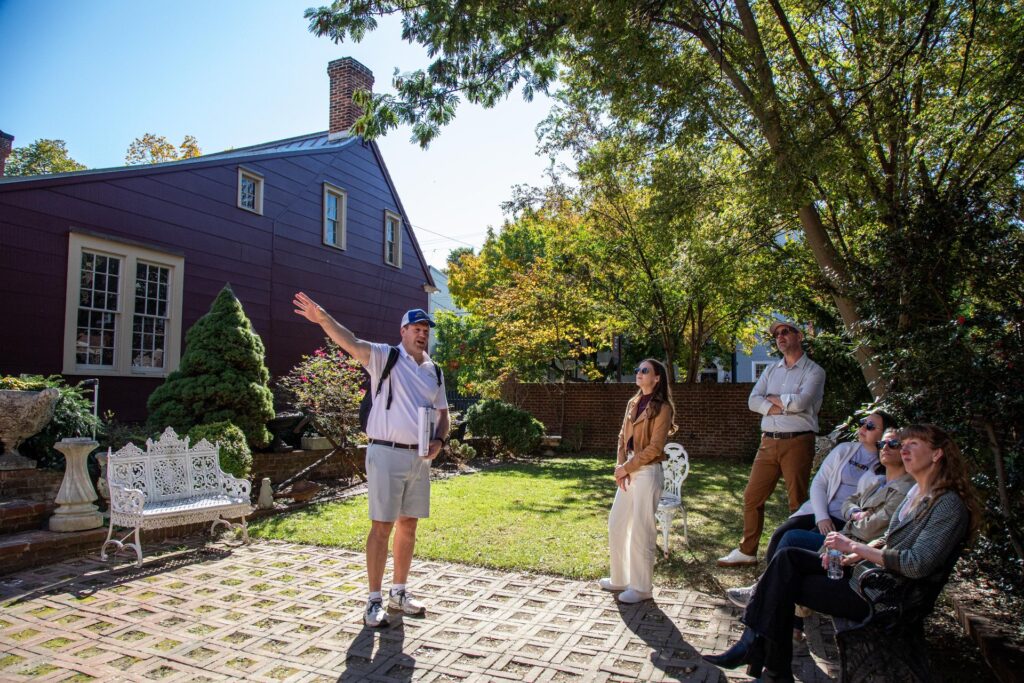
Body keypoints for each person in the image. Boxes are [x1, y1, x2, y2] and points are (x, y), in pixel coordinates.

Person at [704, 424, 980, 682]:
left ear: (937, 454)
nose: (903, 450)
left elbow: (916, 564)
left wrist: (854, 547)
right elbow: (890, 539)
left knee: (784, 582)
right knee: (787, 561)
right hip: (867, 575)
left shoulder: (947, 505)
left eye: (912, 444)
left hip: (882, 595)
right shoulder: (918, 494)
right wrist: (858, 553)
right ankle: (768, 663)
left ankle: (763, 657)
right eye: (902, 444)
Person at [293, 292, 449, 628]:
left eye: (426, 330)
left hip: (420, 458)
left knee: (409, 525)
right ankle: (373, 600)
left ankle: (399, 592)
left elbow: (443, 414)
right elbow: (350, 342)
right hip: (385, 452)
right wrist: (322, 318)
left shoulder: (433, 371)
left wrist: (439, 439)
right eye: (416, 328)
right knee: (382, 526)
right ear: (403, 330)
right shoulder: (385, 357)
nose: (423, 334)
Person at [726, 411, 901, 607]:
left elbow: (870, 506)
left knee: (796, 542)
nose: (862, 428)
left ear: (885, 434)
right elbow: (819, 483)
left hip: (846, 522)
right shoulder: (845, 450)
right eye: (862, 423)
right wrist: (822, 516)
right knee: (780, 534)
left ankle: (768, 596)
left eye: (870, 426)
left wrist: (850, 516)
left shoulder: (886, 466)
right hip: (819, 510)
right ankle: (765, 588)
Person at [719, 320, 826, 567]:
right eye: (777, 334)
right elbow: (753, 401)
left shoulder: (814, 371)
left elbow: (802, 403)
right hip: (767, 443)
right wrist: (778, 407)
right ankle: (747, 552)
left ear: (799, 336)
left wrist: (772, 401)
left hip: (798, 442)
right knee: (751, 497)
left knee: (797, 501)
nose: (780, 336)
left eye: (786, 331)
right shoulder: (771, 370)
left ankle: (795, 553)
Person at [599, 359, 677, 603]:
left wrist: (627, 468)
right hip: (629, 468)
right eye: (637, 370)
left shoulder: (663, 408)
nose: (639, 374)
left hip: (647, 471)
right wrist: (620, 467)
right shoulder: (632, 402)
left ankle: (642, 588)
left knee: (642, 530)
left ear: (657, 378)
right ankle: (619, 579)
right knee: (617, 523)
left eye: (645, 371)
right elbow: (623, 437)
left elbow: (655, 448)